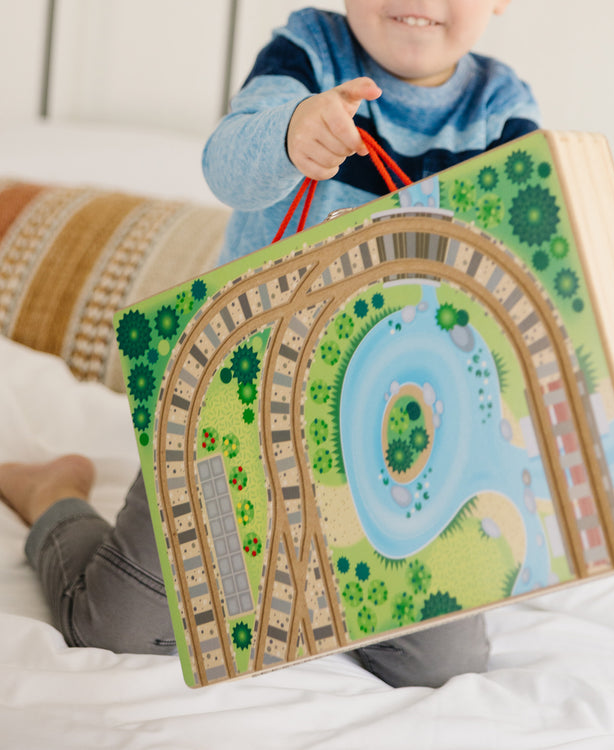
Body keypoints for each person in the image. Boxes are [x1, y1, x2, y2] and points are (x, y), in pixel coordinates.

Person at [0, 1, 540, 688]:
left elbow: (511, 279)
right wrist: (290, 134)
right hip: (242, 406)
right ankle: (51, 498)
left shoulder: (502, 110)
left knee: (444, 666)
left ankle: (315, 567)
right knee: (115, 626)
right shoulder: (308, 53)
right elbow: (227, 166)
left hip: (396, 439)